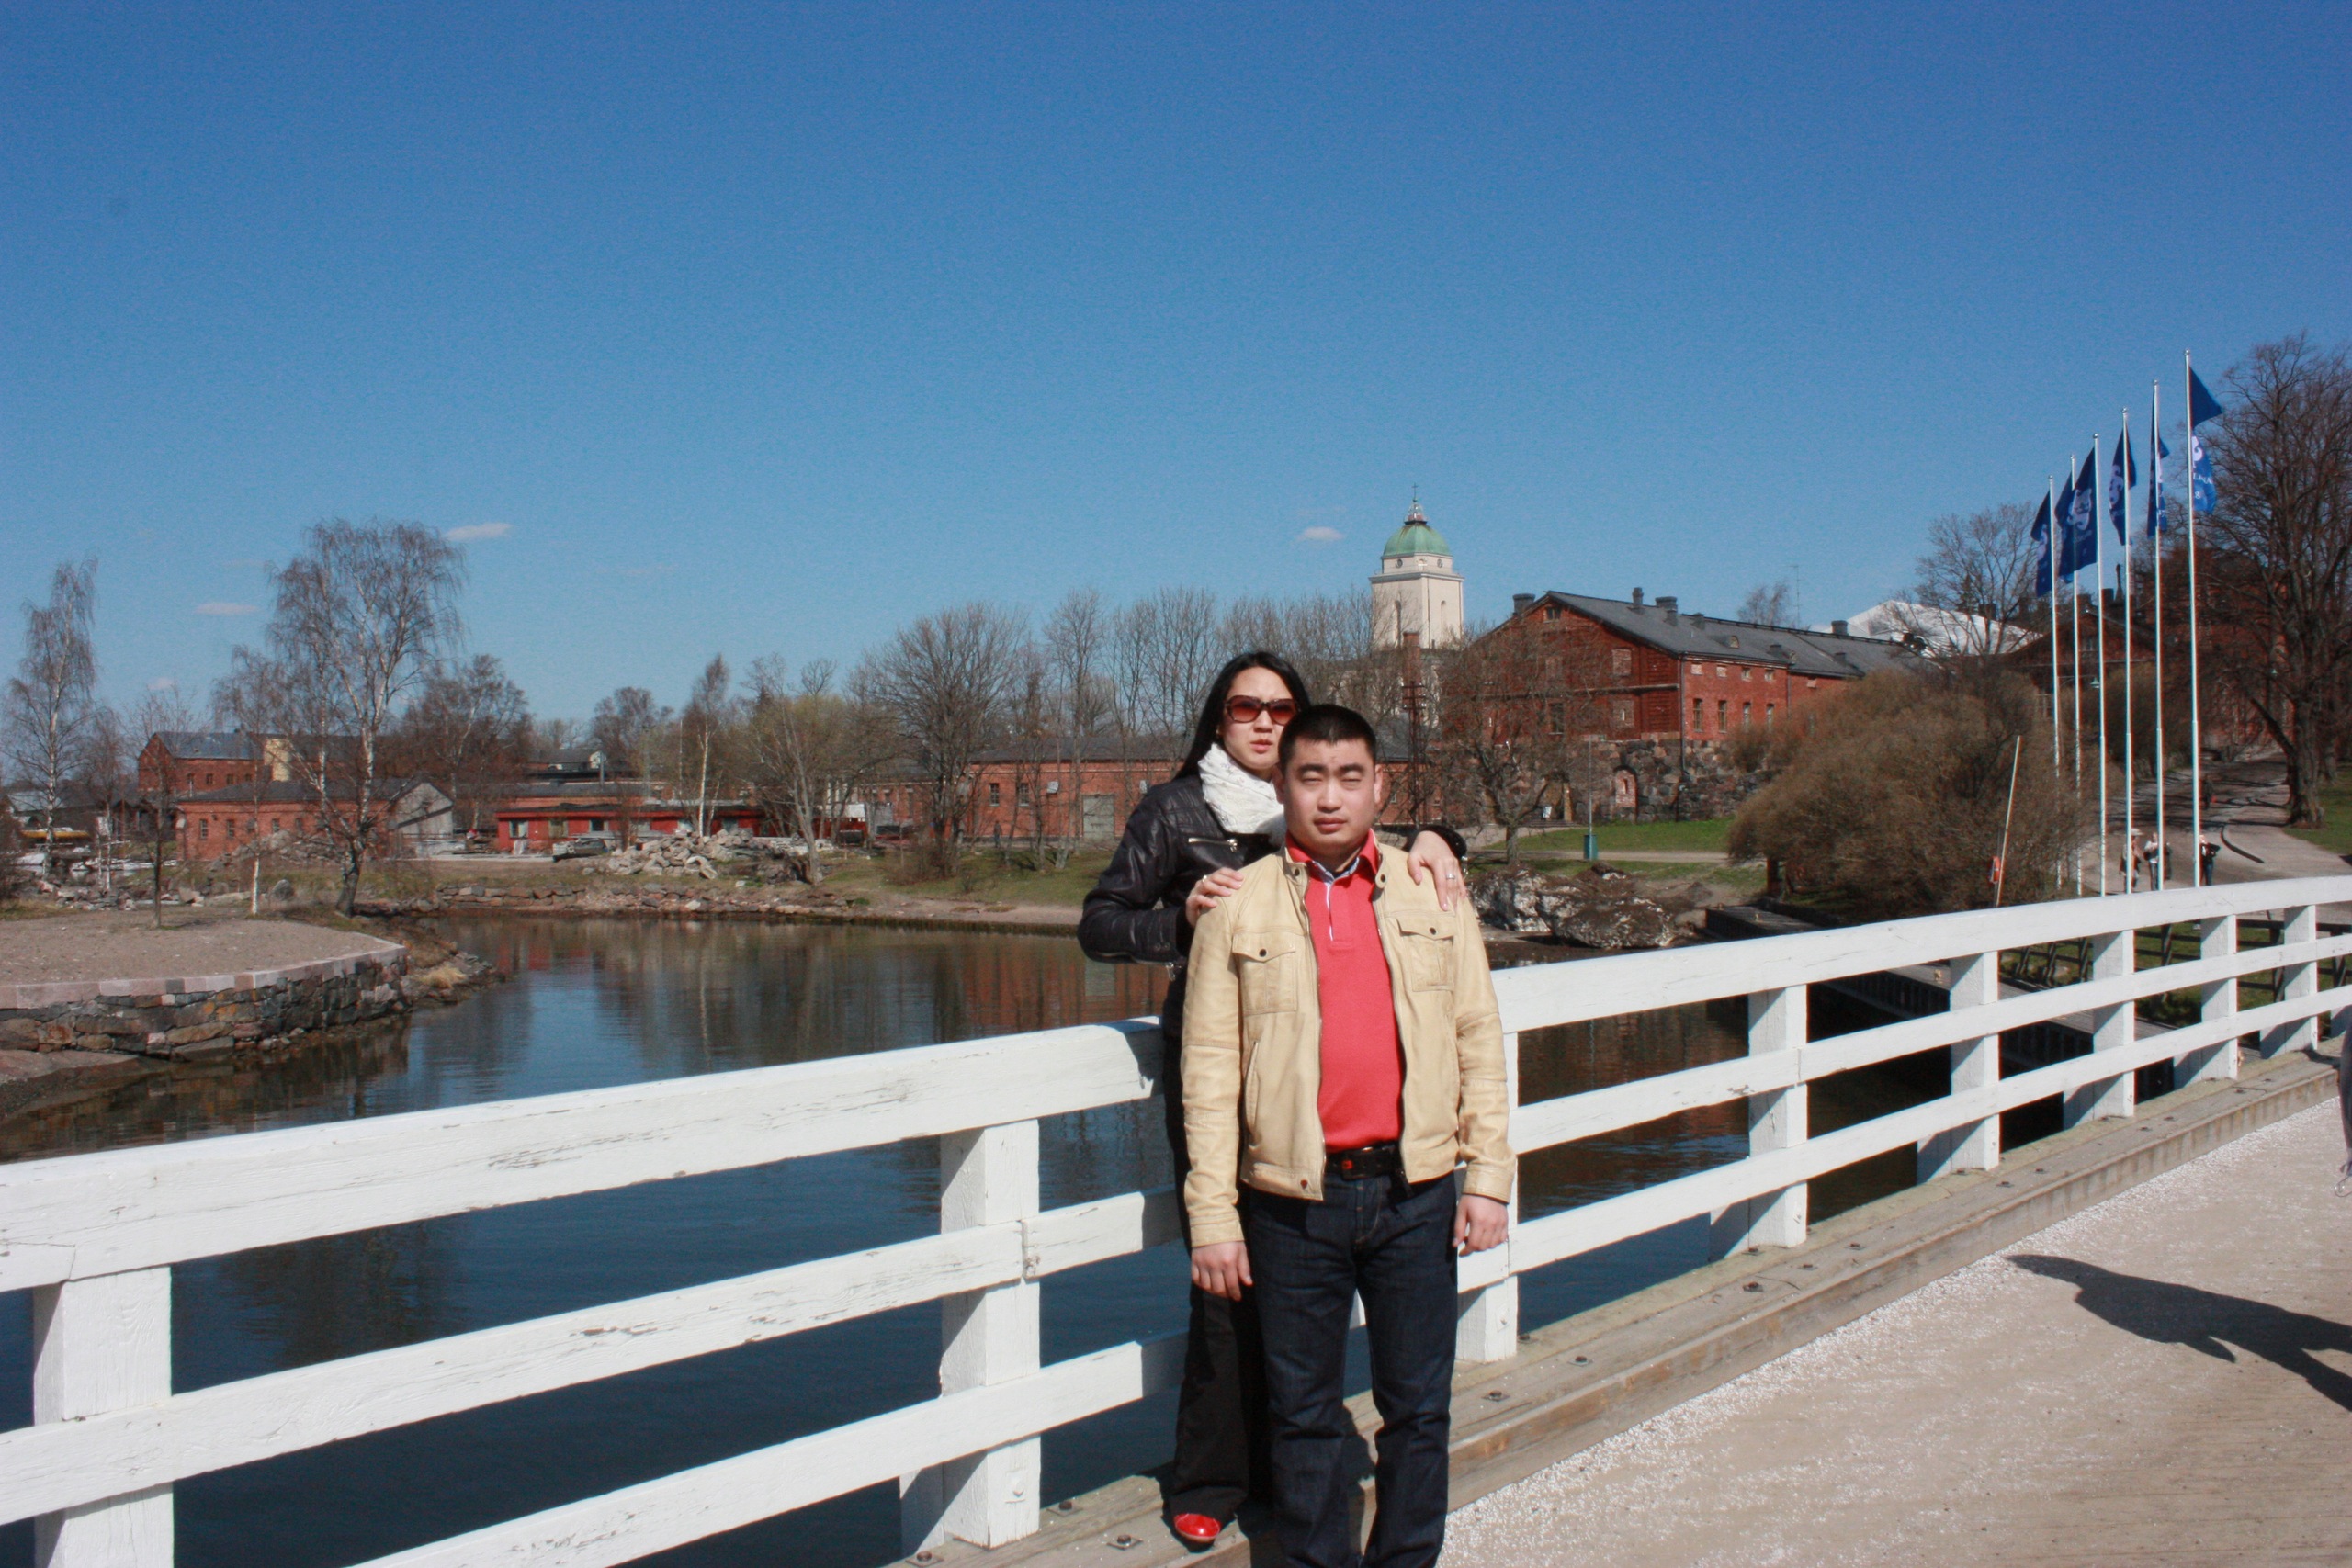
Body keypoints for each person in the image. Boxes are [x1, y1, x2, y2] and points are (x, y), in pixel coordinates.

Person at [1078, 653, 1465, 1549]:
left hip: (1325, 1084)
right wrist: (1179, 919)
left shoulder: (1315, 797)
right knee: (1229, 1271)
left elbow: (1377, 843)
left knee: (1303, 1291)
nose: (1261, 720)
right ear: (1218, 719)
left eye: (1279, 707)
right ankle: (1214, 1472)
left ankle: (1289, 1471)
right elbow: (1100, 922)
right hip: (1223, 1061)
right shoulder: (1177, 810)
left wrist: (1441, 835)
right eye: (1244, 706)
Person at [1183, 704, 1511, 1568]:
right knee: (1303, 1417)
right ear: (1281, 784)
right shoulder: (1236, 904)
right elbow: (1209, 1074)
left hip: (1415, 1191)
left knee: (1419, 1409)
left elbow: (1477, 1036)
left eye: (1349, 777)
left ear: (1379, 786)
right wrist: (1213, 1216)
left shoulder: (1431, 889)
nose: (1330, 798)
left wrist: (1489, 1176)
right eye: (1311, 777)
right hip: (1292, 1203)